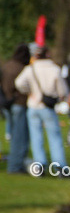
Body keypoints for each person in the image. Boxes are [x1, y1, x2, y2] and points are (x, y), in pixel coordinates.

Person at [15, 44, 68, 173]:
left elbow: (19, 83)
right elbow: (63, 90)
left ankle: (40, 163)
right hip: (48, 107)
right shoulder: (54, 69)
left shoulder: (30, 68)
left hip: (33, 105)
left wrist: (30, 92)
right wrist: (58, 97)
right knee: (54, 136)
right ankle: (59, 164)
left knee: (36, 136)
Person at [2, 44, 31, 173]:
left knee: (15, 135)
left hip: (7, 103)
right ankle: (15, 166)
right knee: (20, 137)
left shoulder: (6, 66)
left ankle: (16, 164)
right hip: (20, 103)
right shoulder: (22, 68)